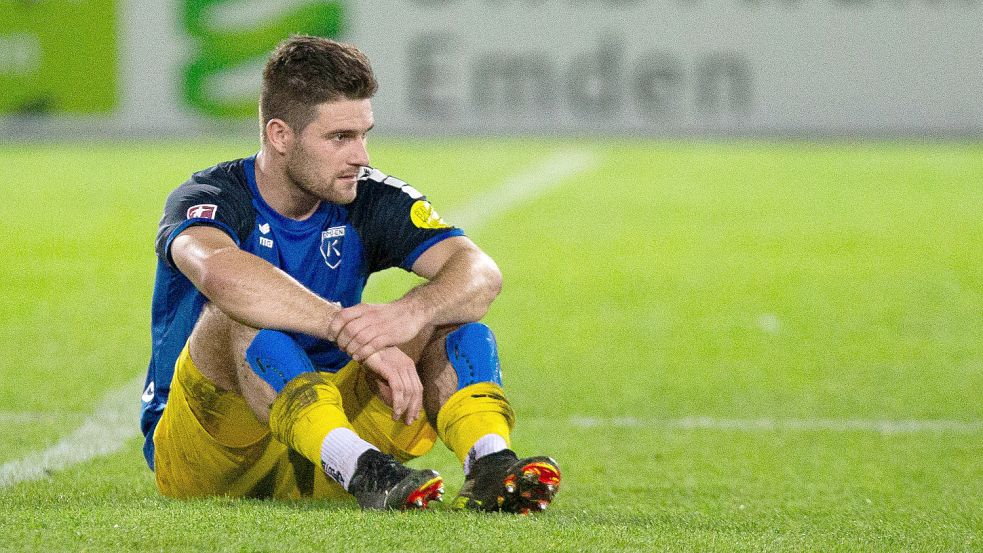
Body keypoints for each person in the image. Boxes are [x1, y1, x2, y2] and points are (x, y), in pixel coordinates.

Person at [139, 35, 560, 512]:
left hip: (324, 437)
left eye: (364, 134)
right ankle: (366, 470)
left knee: (448, 318)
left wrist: (408, 314)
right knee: (232, 317)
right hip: (212, 454)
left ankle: (489, 466)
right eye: (340, 138)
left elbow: (481, 274)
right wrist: (350, 330)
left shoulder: (369, 196)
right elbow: (223, 276)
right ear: (280, 136)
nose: (361, 155)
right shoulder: (209, 197)